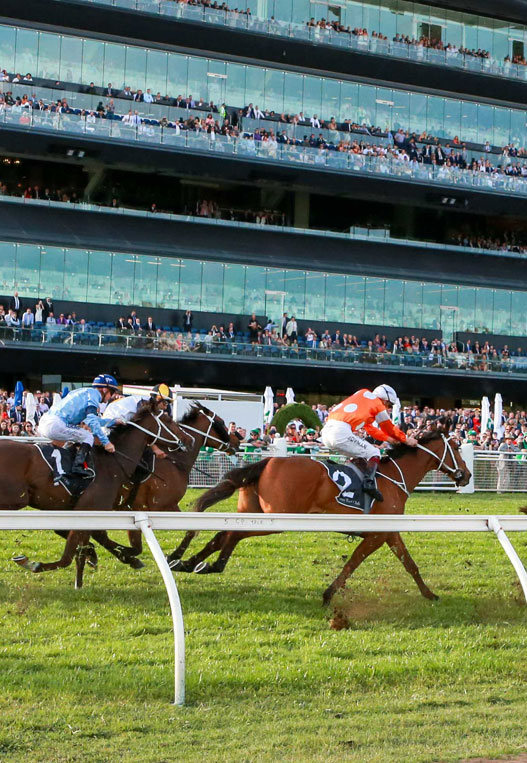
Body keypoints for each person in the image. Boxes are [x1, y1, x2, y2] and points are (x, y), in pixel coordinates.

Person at [321, 385, 418, 502]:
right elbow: (389, 427)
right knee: (374, 452)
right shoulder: (377, 404)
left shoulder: (362, 395)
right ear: (385, 400)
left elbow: (370, 429)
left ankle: (351, 485)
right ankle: (368, 485)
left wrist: (389, 439)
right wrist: (406, 439)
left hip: (326, 432)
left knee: (360, 456)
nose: (388, 408)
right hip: (340, 432)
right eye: (389, 405)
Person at [38, 374, 120, 477]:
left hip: (45, 423)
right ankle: (77, 466)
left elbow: (93, 420)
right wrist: (106, 442)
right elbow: (91, 421)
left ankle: (65, 460)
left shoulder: (83, 392)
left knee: (79, 435)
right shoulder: (94, 394)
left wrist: (113, 422)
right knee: (88, 436)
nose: (111, 396)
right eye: (111, 392)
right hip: (56, 423)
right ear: (104, 389)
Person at [103, 383, 174, 459]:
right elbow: (144, 430)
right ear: (157, 399)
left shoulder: (147, 403)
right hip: (109, 425)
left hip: (116, 422)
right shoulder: (145, 404)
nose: (166, 407)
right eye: (165, 403)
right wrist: (155, 448)